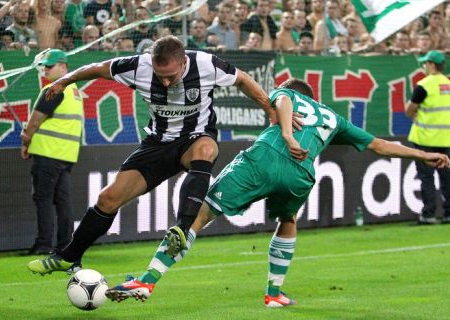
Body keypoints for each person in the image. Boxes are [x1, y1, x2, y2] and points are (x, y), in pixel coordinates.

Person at [103, 78, 450, 307]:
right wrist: (424, 154)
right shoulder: (333, 118)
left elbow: (282, 100)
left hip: (264, 158)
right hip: (301, 174)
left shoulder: (289, 94)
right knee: (288, 218)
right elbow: (380, 145)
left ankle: (147, 281)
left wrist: (285, 134)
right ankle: (274, 294)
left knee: (199, 215)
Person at [27, 35, 278, 273]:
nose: (166, 82)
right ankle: (69, 257)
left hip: (194, 137)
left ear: (184, 61)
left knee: (206, 149)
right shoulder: (138, 66)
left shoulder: (206, 64)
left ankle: (181, 228)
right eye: (160, 77)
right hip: (157, 144)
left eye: (171, 76)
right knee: (108, 198)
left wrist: (269, 108)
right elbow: (96, 68)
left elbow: (243, 79)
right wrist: (63, 81)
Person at [21, 49, 84, 255]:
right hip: (67, 155)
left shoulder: (55, 89)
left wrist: (26, 139)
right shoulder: (74, 90)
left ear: (63, 67)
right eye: (45, 66)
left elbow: (36, 119)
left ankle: (43, 244)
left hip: (48, 152)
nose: (46, 70)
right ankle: (66, 244)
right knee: (62, 201)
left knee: (43, 199)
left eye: (50, 66)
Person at [405, 50, 450, 224]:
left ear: (431, 64)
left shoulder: (424, 85)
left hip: (425, 138)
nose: (424, 66)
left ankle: (429, 214)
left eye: (425, 63)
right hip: (444, 138)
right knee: (445, 175)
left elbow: (409, 110)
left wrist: (415, 115)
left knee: (426, 176)